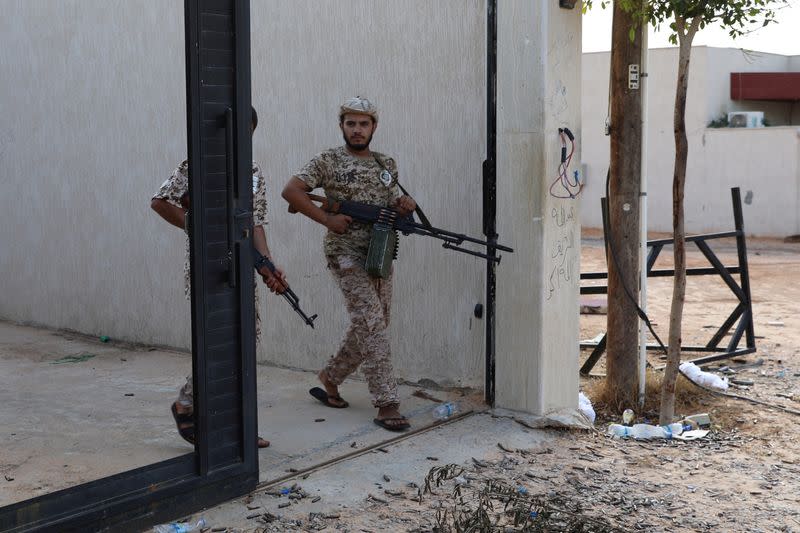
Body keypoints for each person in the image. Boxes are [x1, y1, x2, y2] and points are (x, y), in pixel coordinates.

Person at [151, 106, 285, 447]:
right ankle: (189, 405)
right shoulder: (196, 163)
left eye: (247, 130)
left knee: (246, 342)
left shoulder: (252, 172)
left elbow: (254, 224)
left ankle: (230, 422)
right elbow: (160, 201)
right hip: (207, 267)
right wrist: (196, 226)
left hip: (242, 268)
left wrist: (267, 263)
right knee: (217, 342)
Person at [282, 96, 416, 432]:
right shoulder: (327, 160)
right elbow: (292, 192)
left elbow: (390, 207)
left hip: (380, 252)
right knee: (372, 325)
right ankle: (387, 402)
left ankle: (331, 377)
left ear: (374, 127)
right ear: (342, 126)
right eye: (351, 124)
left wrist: (405, 206)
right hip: (344, 253)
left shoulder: (386, 164)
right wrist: (327, 220)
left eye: (364, 124)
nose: (357, 130)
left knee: (376, 321)